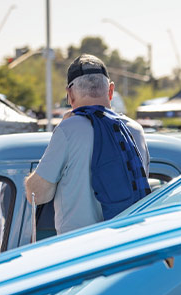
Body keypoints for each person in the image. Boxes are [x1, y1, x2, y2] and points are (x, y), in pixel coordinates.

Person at [24, 54, 149, 236]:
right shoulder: (135, 131)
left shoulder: (68, 130)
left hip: (79, 250)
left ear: (70, 94)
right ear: (111, 91)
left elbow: (37, 195)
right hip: (126, 246)